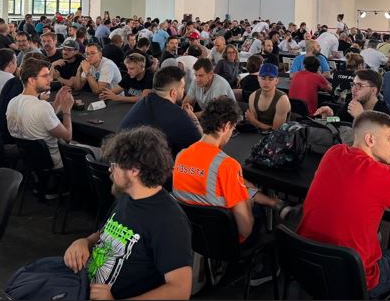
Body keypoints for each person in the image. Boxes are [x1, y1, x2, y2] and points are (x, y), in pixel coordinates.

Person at [298, 111, 390, 300]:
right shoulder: (385, 175)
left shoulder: (333, 153)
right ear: (370, 139)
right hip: (354, 277)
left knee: (374, 236)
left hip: (306, 264)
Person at [63, 127, 193, 300]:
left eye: (114, 164)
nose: (110, 170)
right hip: (81, 284)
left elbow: (180, 290)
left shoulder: (170, 221)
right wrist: (84, 242)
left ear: (134, 170)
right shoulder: (126, 196)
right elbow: (104, 234)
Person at [173, 96, 289, 254]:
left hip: (193, 236)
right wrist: (247, 202)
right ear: (226, 126)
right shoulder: (227, 166)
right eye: (233, 128)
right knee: (258, 213)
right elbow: (246, 229)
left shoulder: (181, 156)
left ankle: (273, 203)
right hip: (226, 241)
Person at [6, 59, 75, 170]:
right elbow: (67, 137)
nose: (50, 79)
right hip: (54, 161)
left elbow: (43, 118)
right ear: (31, 80)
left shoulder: (12, 102)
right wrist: (67, 111)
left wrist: (57, 101)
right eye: (45, 76)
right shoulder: (42, 106)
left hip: (29, 159)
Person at [119, 66, 200, 157]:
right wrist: (194, 119)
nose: (183, 91)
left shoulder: (142, 103)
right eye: (182, 88)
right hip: (150, 164)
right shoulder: (179, 115)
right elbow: (200, 147)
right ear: (173, 92)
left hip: (121, 157)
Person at [246, 63, 291, 130]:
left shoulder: (282, 100)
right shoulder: (253, 96)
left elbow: (277, 130)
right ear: (258, 78)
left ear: (277, 81)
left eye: (271, 79)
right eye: (263, 78)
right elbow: (254, 127)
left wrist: (254, 121)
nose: (266, 82)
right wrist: (254, 122)